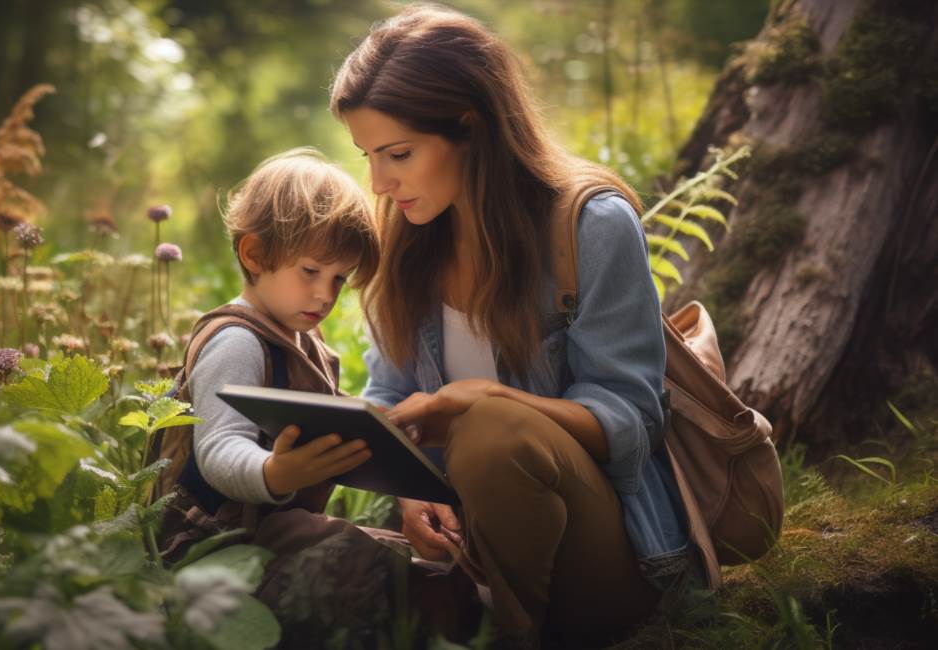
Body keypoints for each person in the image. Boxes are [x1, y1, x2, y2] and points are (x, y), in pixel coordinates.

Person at [330, 3, 696, 645]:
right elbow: (388, 394)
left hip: (601, 553)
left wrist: (494, 399)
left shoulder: (590, 226)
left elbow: (632, 421)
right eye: (367, 156)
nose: (379, 183)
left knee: (492, 431)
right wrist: (411, 490)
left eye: (398, 154)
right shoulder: (408, 236)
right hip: (461, 547)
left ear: (470, 126)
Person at [152, 147, 484, 646]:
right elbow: (219, 449)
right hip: (209, 546)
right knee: (354, 563)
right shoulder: (237, 340)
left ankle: (454, 604)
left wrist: (408, 486)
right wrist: (275, 473)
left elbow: (347, 430)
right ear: (254, 254)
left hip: (270, 531)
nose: (325, 295)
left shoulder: (301, 339)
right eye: (311, 272)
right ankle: (437, 616)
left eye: (338, 280)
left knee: (378, 549)